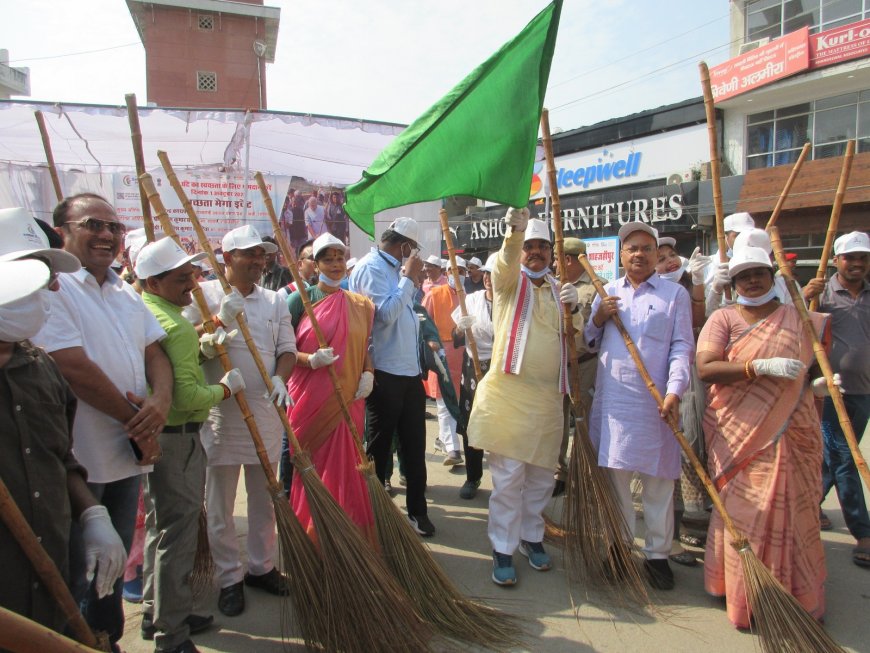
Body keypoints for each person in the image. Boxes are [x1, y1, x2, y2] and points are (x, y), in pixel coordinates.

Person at [30, 194, 172, 648]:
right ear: (63, 231)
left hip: (126, 456)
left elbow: (156, 352)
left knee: (109, 571)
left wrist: (161, 402)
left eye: (114, 226)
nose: (107, 235)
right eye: (94, 224)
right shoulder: (52, 287)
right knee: (78, 569)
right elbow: (71, 367)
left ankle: (107, 640)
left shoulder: (124, 290)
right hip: (79, 460)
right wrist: (139, 418)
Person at [0, 208, 126, 637]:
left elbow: (57, 457)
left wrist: (91, 512)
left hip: (52, 574)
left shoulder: (39, 369)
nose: (54, 286)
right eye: (38, 276)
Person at [697, 245, 831, 628]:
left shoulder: (799, 318)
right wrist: (757, 366)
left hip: (794, 433)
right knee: (745, 517)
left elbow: (806, 371)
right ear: (734, 282)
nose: (752, 280)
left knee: (797, 513)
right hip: (741, 437)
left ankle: (798, 595)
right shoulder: (724, 318)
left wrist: (816, 387)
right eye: (743, 275)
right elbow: (706, 368)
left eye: (758, 272)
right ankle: (745, 597)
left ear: (772, 276)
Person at [136, 238, 247, 653]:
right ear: (154, 280)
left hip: (154, 439)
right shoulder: (175, 325)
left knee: (157, 528)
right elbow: (185, 398)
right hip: (178, 439)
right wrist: (222, 390)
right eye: (182, 279)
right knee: (177, 537)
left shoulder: (147, 311)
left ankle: (155, 613)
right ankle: (173, 633)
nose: (193, 284)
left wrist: (202, 351)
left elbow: (174, 369)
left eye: (193, 275)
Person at [185, 225, 296, 618]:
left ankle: (261, 566)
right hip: (221, 415)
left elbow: (288, 349)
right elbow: (185, 345)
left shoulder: (275, 300)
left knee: (265, 496)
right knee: (220, 504)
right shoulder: (203, 295)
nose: (258, 261)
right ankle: (229, 577)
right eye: (249, 254)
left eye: (263, 254)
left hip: (265, 412)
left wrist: (281, 375)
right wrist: (216, 320)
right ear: (227, 258)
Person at [467, 211, 581, 586]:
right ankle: (502, 546)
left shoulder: (559, 289)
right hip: (510, 398)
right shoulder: (509, 283)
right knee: (509, 477)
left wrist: (575, 308)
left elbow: (575, 339)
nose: (535, 252)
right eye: (529, 247)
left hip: (549, 401)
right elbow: (503, 262)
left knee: (541, 478)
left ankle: (531, 538)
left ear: (552, 252)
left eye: (542, 247)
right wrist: (514, 232)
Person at [585, 222, 693, 591]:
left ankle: (658, 555)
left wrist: (675, 391)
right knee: (616, 481)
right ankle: (618, 548)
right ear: (622, 254)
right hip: (616, 403)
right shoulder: (607, 291)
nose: (640, 254)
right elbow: (588, 340)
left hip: (657, 403)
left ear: (655, 253)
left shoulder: (674, 294)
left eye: (647, 248)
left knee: (659, 483)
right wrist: (598, 317)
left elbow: (682, 346)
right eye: (632, 248)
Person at [286, 233, 376, 543]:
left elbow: (363, 347)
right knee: (313, 469)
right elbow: (280, 350)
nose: (335, 264)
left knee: (347, 470)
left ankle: (347, 535)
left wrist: (368, 372)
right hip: (310, 399)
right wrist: (307, 359)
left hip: (350, 397)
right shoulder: (300, 299)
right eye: (328, 258)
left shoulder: (361, 305)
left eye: (340, 257)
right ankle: (311, 536)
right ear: (315, 263)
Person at [349, 217, 435, 536]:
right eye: (413, 251)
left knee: (414, 447)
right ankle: (371, 514)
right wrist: (409, 279)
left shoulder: (394, 270)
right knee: (378, 449)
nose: (414, 257)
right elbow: (384, 315)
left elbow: (404, 317)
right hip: (383, 372)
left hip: (408, 373)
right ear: (405, 246)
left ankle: (417, 511)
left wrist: (407, 279)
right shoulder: (371, 268)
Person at [805, 231, 870, 568]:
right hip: (832, 391)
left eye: (863, 258)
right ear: (836, 261)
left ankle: (812, 503)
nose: (857, 264)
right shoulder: (822, 293)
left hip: (865, 391)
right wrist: (803, 297)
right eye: (850, 258)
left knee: (834, 457)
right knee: (846, 458)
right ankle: (863, 532)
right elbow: (797, 324)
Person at [655, 236, 711, 567]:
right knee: (673, 454)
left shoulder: (692, 289)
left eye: (672, 255)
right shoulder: (654, 296)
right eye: (660, 258)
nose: (669, 261)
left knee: (695, 448)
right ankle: (673, 535)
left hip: (694, 379)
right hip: (664, 384)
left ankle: (696, 523)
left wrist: (703, 285)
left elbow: (699, 321)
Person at [552, 237, 603, 498]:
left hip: (585, 365)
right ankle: (559, 472)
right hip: (559, 364)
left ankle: (584, 473)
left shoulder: (596, 288)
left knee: (583, 420)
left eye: (557, 259)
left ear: (568, 260)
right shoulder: (554, 285)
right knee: (557, 420)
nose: (553, 264)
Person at [451, 254, 496, 500]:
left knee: (502, 425)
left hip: (501, 368)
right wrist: (460, 327)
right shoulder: (471, 300)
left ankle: (504, 480)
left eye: (494, 274)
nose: (489, 279)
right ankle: (473, 476)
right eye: (487, 274)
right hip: (473, 367)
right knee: (471, 424)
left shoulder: (512, 301)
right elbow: (456, 337)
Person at [423, 256, 467, 466]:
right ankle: (453, 449)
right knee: (444, 403)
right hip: (441, 356)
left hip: (463, 358)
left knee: (456, 403)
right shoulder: (434, 294)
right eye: (453, 270)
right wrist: (430, 343)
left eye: (462, 271)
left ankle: (443, 439)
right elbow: (421, 320)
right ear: (446, 272)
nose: (457, 275)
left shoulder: (470, 297)